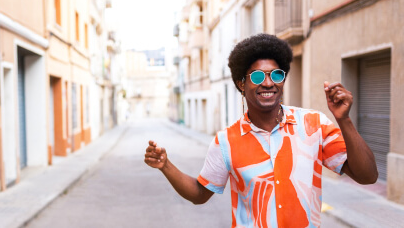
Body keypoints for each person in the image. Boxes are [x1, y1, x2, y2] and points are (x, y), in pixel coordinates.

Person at [144, 34, 378, 227]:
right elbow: (199, 193)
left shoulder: (314, 124)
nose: (268, 83)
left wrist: (344, 120)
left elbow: (367, 176)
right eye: (258, 76)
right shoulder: (226, 141)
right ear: (241, 84)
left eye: (276, 75)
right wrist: (166, 165)